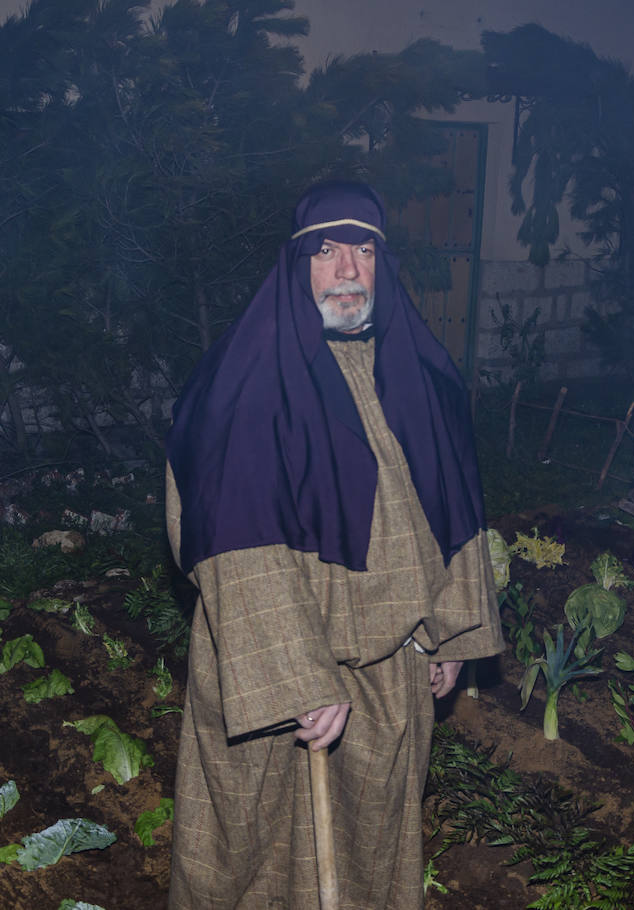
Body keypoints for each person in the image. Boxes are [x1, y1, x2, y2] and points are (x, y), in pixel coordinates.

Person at [164, 180, 504, 909]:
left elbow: (450, 510)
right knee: (253, 850)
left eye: (364, 251)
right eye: (327, 251)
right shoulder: (244, 383)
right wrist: (302, 679)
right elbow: (233, 539)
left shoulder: (420, 377)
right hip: (273, 659)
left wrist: (447, 631)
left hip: (391, 664)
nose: (348, 270)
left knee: (372, 841)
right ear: (297, 265)